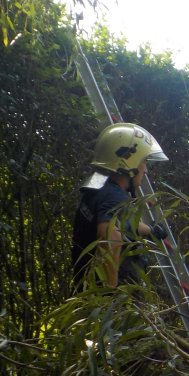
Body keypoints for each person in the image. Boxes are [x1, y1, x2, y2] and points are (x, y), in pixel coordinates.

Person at [72, 123, 170, 289]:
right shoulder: (114, 197)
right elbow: (110, 235)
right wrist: (110, 292)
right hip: (105, 296)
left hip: (85, 288)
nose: (145, 170)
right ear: (129, 162)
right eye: (144, 162)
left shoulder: (98, 185)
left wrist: (151, 231)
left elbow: (119, 220)